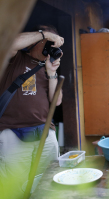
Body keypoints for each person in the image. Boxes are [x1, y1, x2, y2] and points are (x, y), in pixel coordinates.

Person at [0, 25, 64, 199]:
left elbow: (56, 101)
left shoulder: (47, 66)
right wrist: (43, 34)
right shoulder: (15, 58)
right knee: (15, 186)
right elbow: (10, 42)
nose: (49, 49)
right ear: (36, 41)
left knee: (48, 181)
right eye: (48, 43)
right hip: (13, 131)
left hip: (44, 131)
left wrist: (52, 73)